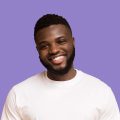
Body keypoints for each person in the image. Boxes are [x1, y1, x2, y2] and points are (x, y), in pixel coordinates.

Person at [1, 14, 120, 120]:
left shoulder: (101, 92)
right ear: (38, 50)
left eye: (61, 41)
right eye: (44, 46)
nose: (53, 50)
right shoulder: (19, 94)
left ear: (73, 42)